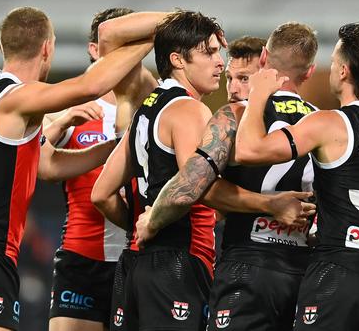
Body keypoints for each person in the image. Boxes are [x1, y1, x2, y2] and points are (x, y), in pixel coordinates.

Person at [0, 6, 150, 331]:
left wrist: (112, 150)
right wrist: (148, 39)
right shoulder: (20, 96)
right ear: (47, 48)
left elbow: (47, 165)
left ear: (4, 46)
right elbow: (90, 86)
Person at [235, 22, 359, 331]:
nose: (332, 68)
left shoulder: (329, 123)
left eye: (334, 61)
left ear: (345, 71)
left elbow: (248, 151)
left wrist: (257, 95)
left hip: (337, 274)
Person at [136, 23, 320, 331]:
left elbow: (195, 181)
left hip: (246, 268)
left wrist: (153, 218)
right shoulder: (325, 124)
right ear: (311, 71)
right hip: (303, 271)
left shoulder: (233, 115)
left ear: (263, 58)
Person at [42, 7, 158, 331]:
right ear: (95, 50)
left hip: (141, 256)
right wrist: (62, 121)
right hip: (82, 258)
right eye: (119, 45)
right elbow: (41, 164)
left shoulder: (158, 102)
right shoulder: (71, 103)